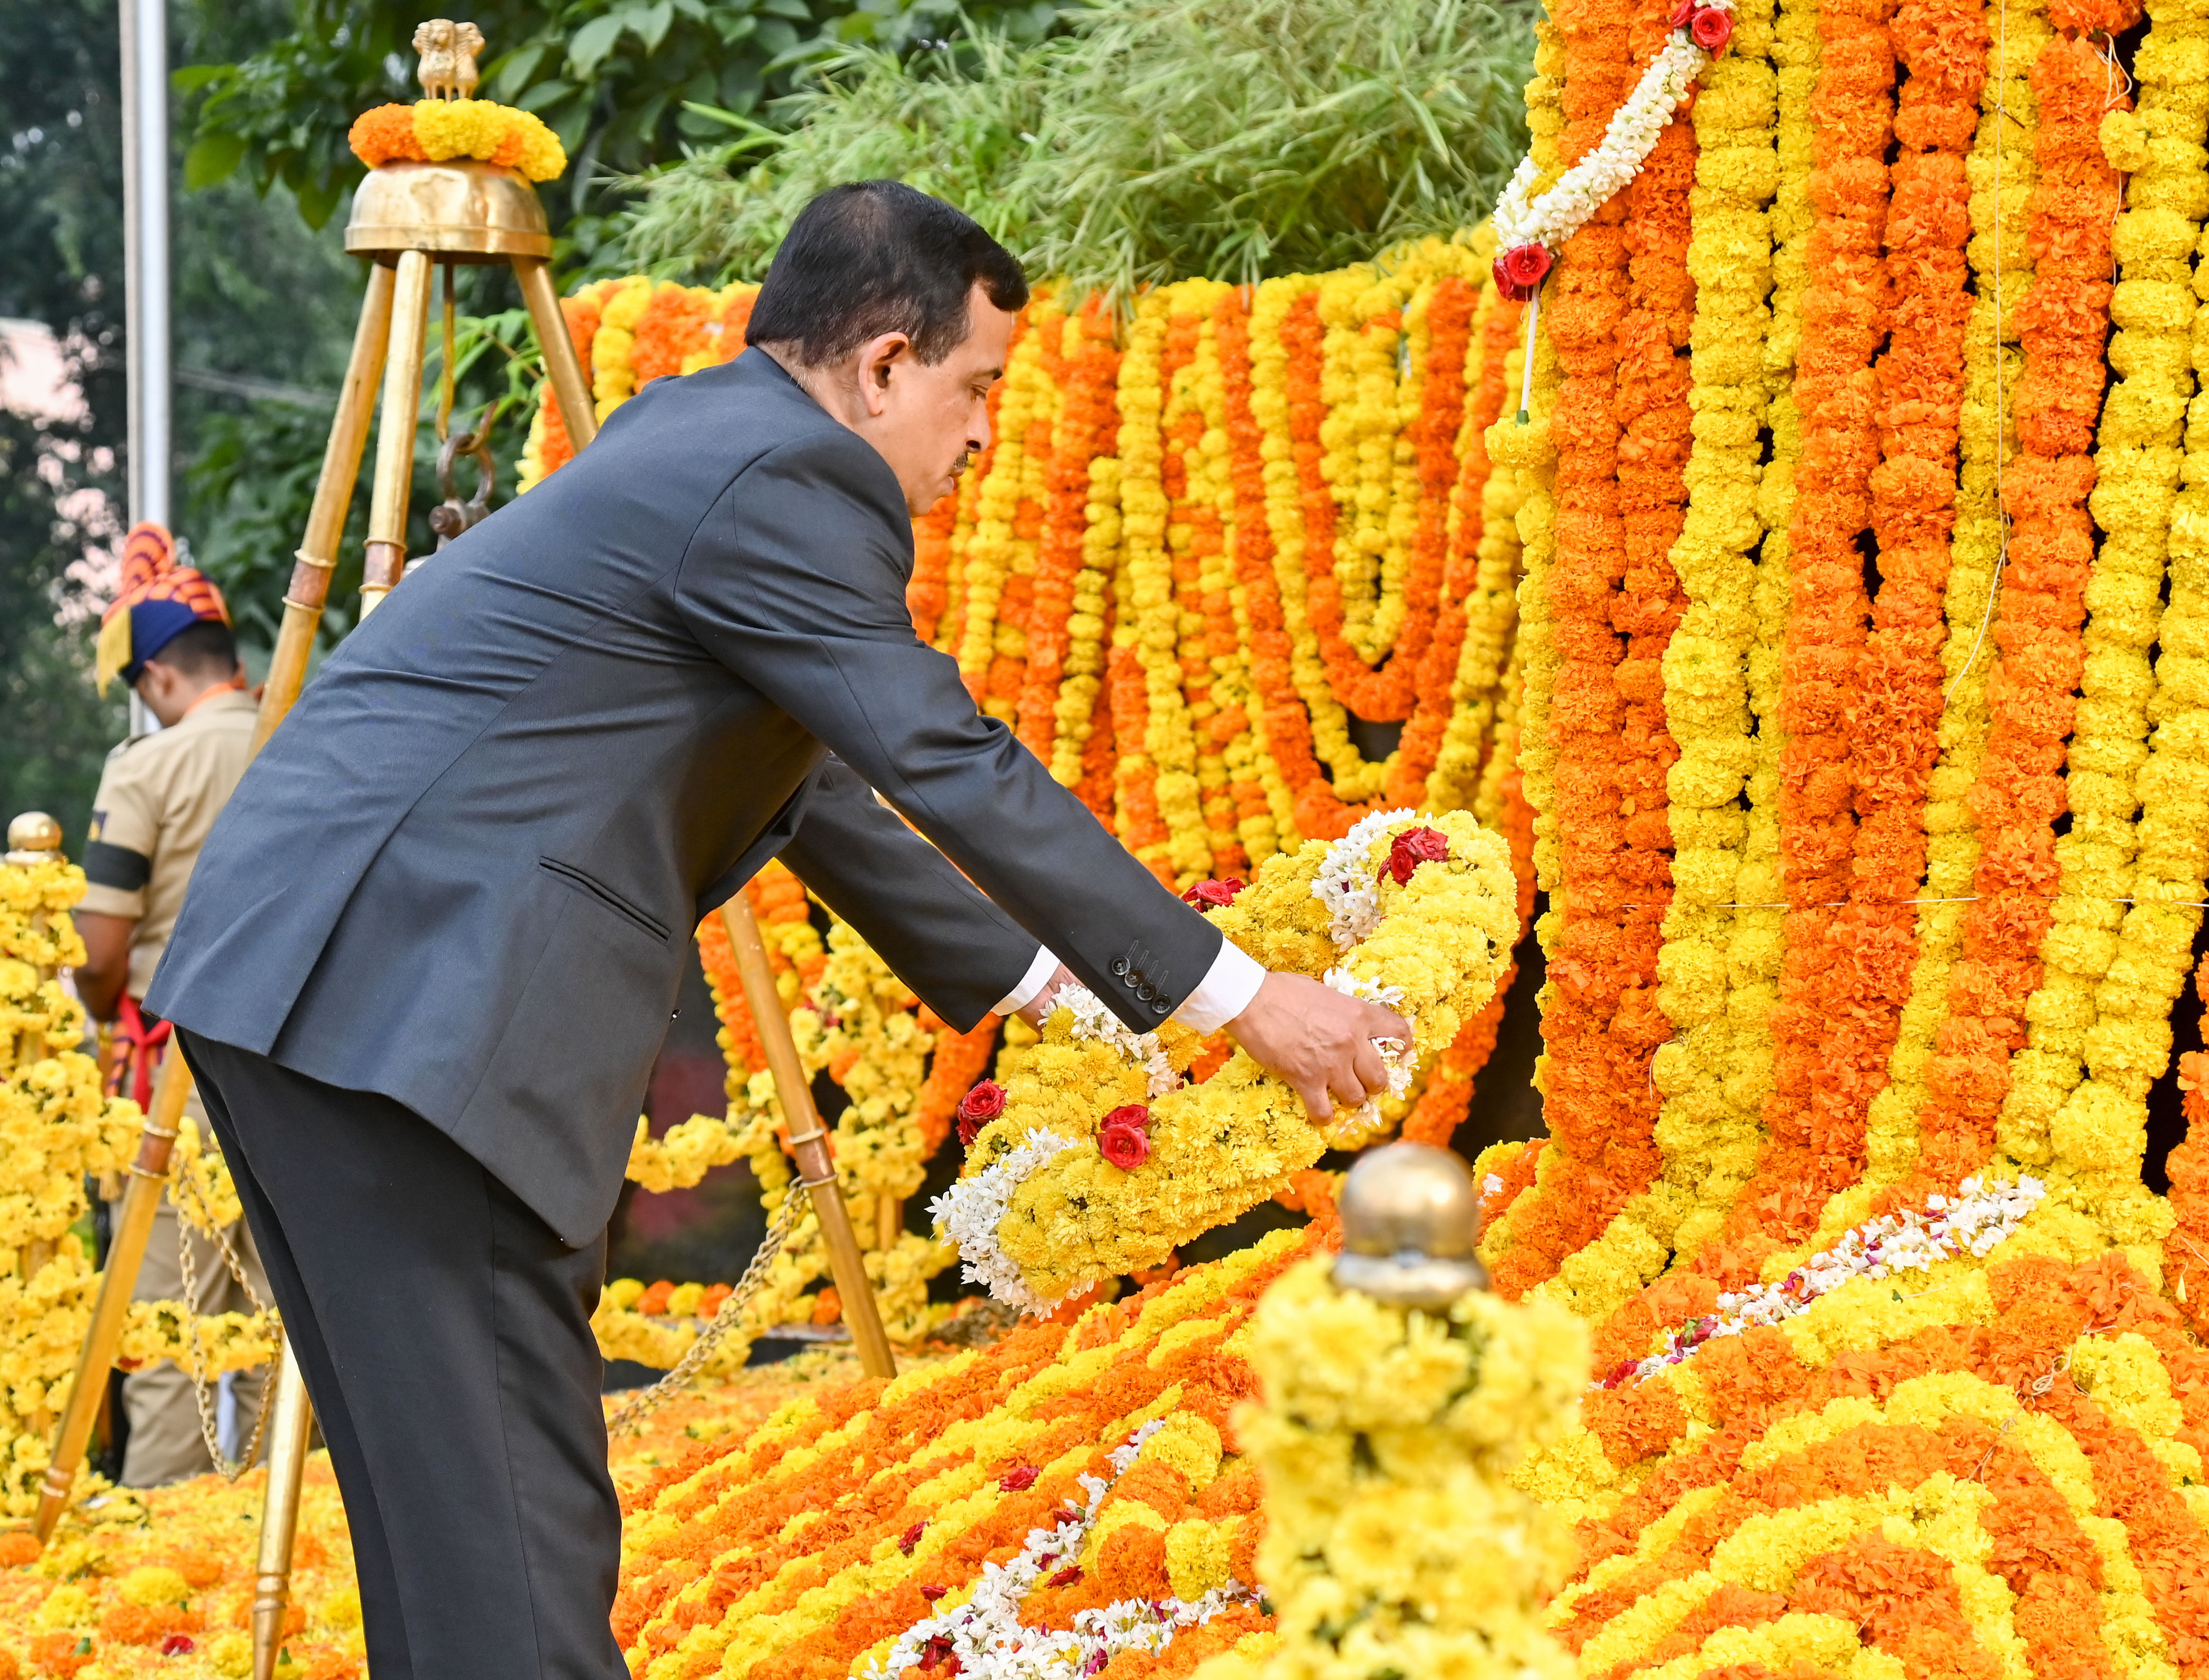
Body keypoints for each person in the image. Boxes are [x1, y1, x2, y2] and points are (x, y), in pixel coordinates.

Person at [150, 181, 1409, 1678]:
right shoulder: (789, 477)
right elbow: (939, 752)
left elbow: (805, 787)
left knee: (452, 1529)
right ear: (882, 363)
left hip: (318, 979)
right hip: (410, 999)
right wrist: (1240, 996)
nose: (983, 434)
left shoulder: (694, 439)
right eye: (974, 387)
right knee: (508, 1531)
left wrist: (1045, 986)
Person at [74, 524, 270, 1486]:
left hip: (178, 1081)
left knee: (168, 1333)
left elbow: (101, 950)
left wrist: (103, 1004)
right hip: (306, 1065)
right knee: (295, 1332)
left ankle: (173, 1589)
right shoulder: (304, 733)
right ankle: (309, 1553)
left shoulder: (146, 768)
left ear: (156, 679)